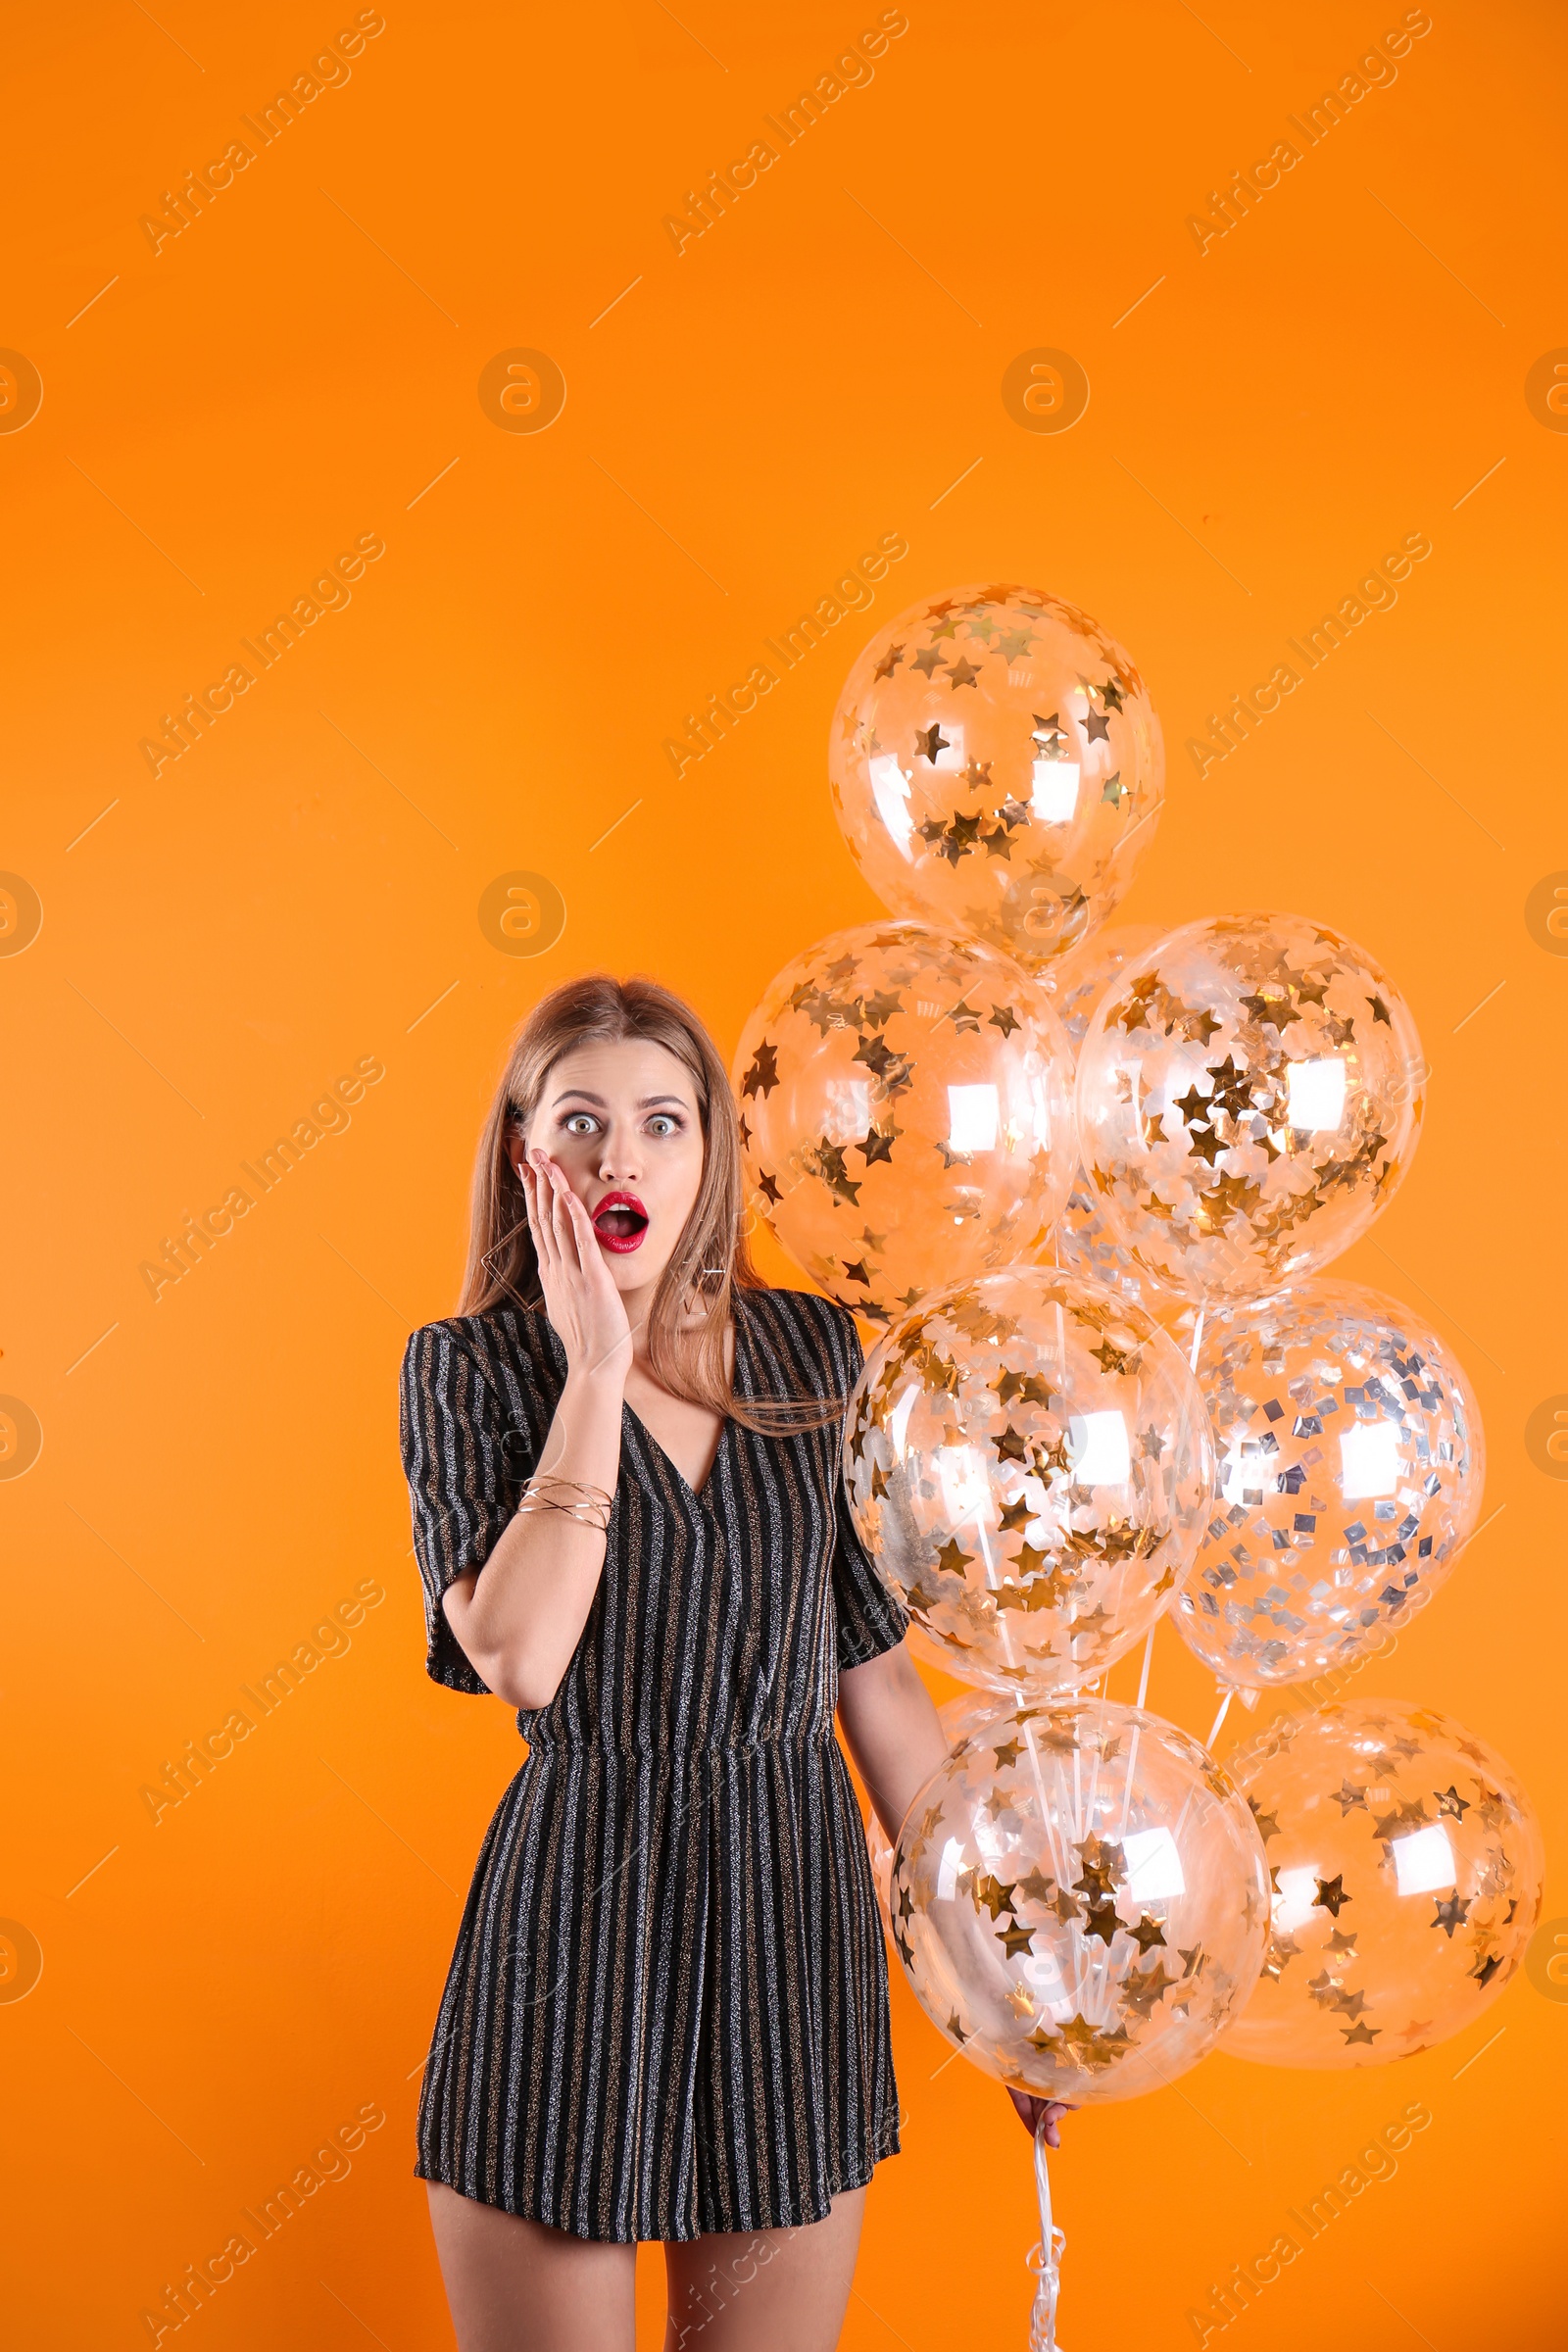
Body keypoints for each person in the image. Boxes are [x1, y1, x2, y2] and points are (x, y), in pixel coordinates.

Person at [399, 972, 1068, 2351]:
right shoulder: (471, 1372)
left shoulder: (814, 1356)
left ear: (708, 1159)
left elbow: (876, 1686)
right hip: (571, 1930)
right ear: (525, 1150)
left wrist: (1000, 1995)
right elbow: (520, 1655)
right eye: (579, 1122)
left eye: (662, 1121)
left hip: (790, 1932)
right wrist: (593, 1375)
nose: (619, 1156)